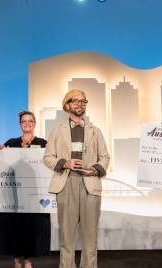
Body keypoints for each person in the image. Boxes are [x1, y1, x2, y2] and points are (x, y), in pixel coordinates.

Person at [43, 89, 110, 268]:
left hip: (90, 185)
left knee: (90, 237)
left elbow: (105, 157)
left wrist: (95, 170)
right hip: (66, 184)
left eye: (83, 101)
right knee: (66, 237)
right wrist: (65, 163)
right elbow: (48, 157)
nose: (80, 104)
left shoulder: (95, 131)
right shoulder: (58, 130)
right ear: (67, 105)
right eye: (76, 101)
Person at [0, 111, 50, 268]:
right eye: (24, 121)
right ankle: (16, 260)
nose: (27, 123)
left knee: (31, 226)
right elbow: (3, 164)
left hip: (34, 193)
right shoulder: (11, 143)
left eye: (30, 121)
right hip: (14, 192)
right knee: (14, 226)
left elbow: (49, 163)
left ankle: (28, 261)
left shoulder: (43, 143)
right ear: (20, 124)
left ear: (34, 123)